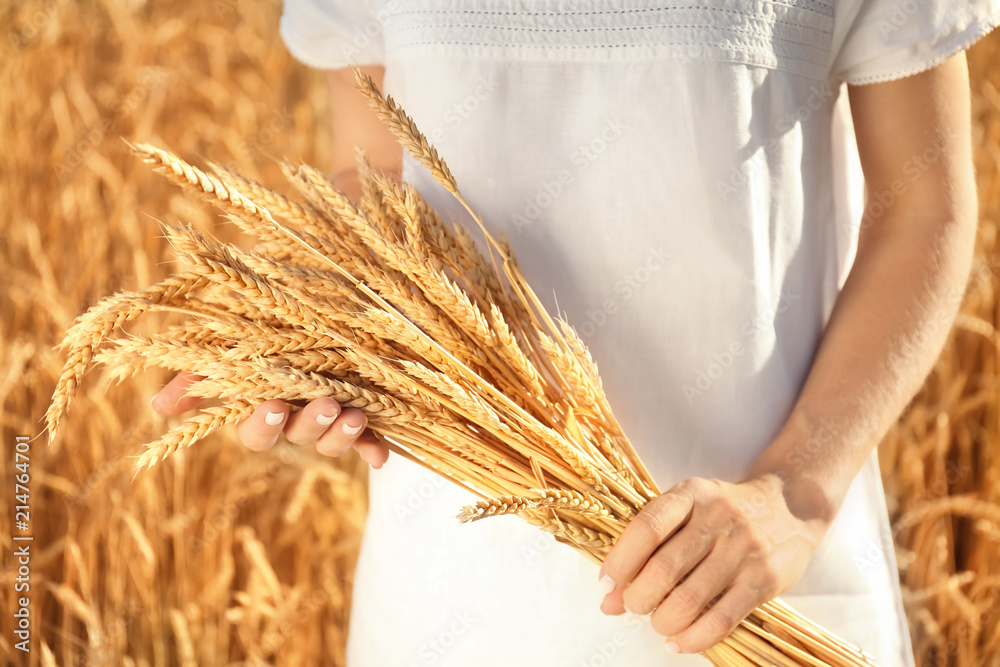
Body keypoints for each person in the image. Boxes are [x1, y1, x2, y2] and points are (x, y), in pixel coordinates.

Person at [151, 1, 999, 664]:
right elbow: (371, 172)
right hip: (454, 596)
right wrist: (312, 325)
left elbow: (923, 208)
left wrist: (795, 496)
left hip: (760, 591)